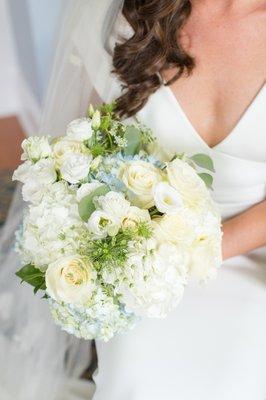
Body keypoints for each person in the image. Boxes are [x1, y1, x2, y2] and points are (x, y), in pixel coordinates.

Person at [1, 1, 265, 399]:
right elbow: (81, 153)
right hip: (138, 261)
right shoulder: (122, 14)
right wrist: (120, 254)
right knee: (139, 366)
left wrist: (181, 256)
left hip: (249, 254)